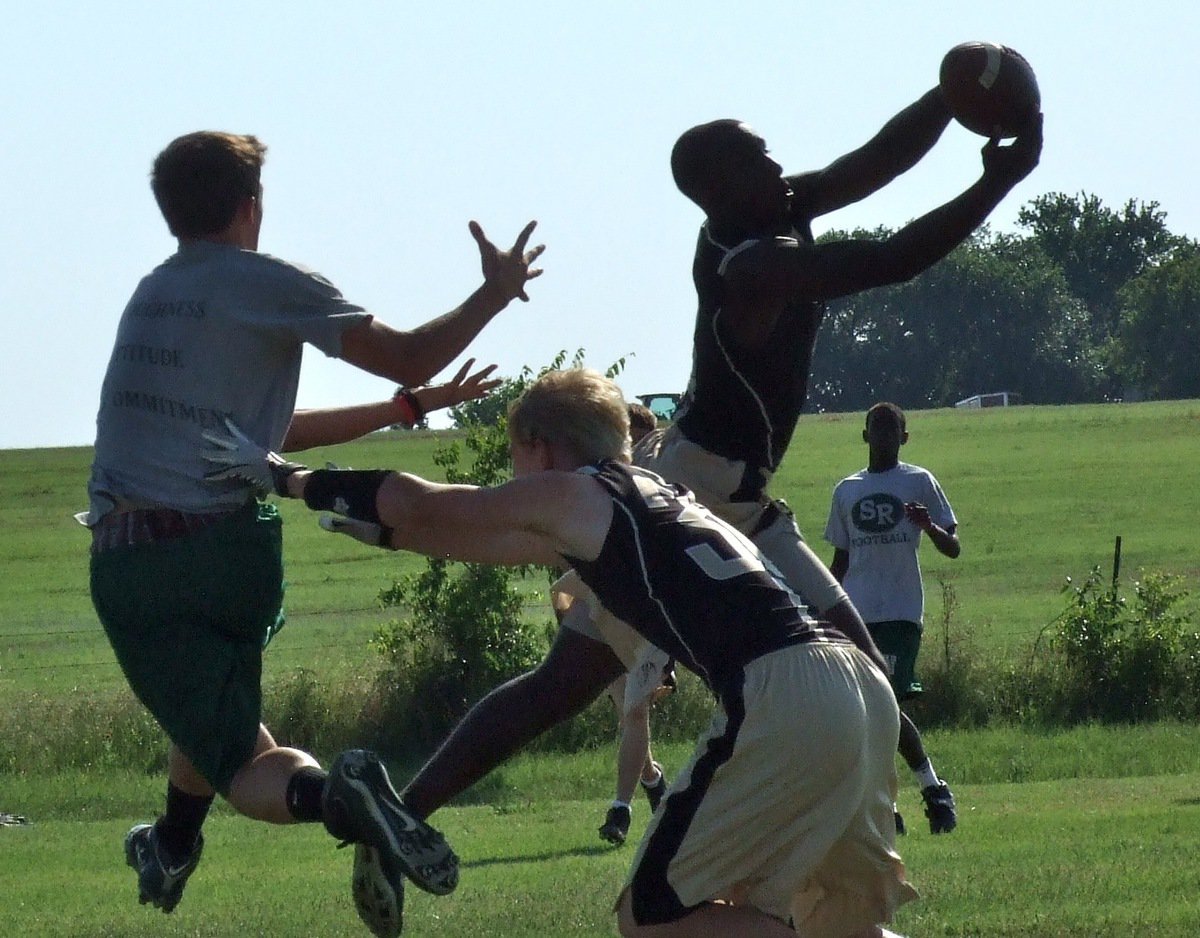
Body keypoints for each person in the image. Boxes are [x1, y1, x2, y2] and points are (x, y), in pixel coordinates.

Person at [364, 82, 1043, 832]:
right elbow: (889, 261)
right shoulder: (746, 267)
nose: (779, 164)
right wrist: (996, 182)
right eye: (759, 157)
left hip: (738, 497)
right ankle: (401, 811)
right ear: (719, 189)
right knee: (566, 681)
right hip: (688, 491)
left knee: (861, 665)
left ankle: (852, 824)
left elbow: (869, 166)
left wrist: (949, 100)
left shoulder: (770, 209)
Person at [204, 367, 917, 938]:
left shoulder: (575, 492)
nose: (517, 476)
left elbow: (424, 503)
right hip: (854, 684)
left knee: (654, 914)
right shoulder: (652, 491)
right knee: (836, 920)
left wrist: (284, 477)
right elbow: (470, 535)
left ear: (541, 445)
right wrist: (386, 532)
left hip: (782, 691)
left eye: (518, 457)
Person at [83, 130, 544, 937]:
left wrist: (417, 388)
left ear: (170, 211)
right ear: (251, 206)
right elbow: (385, 369)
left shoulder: (152, 295)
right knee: (213, 714)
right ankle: (173, 844)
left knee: (248, 764)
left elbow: (396, 366)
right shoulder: (267, 282)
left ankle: (339, 798)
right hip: (233, 549)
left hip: (138, 559)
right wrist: (492, 299)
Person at [825, 402, 962, 835]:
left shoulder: (918, 483)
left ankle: (928, 791)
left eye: (892, 432)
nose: (883, 439)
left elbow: (953, 546)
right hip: (857, 614)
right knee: (867, 710)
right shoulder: (847, 490)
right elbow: (841, 559)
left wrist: (930, 527)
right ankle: (895, 803)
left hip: (902, 610)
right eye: (876, 431)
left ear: (905, 438)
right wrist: (821, 604)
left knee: (887, 706)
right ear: (865, 436)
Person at [594, 401, 671, 845]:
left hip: (649, 620)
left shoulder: (657, 491)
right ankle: (655, 784)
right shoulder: (603, 489)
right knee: (629, 712)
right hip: (609, 619)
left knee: (635, 708)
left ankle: (619, 812)